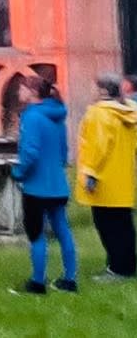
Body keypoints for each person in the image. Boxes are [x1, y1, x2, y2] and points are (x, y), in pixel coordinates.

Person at [11, 76, 77, 294]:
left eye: (22, 88)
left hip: (36, 188)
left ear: (32, 91)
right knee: (63, 231)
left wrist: (18, 172)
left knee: (36, 234)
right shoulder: (58, 116)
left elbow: (30, 151)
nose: (19, 92)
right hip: (58, 185)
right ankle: (69, 280)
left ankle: (37, 283)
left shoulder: (31, 116)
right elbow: (64, 153)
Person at [76, 73, 137, 280]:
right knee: (123, 225)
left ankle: (117, 269)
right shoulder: (129, 112)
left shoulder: (99, 113)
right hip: (123, 179)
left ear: (102, 90)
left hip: (103, 180)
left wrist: (90, 173)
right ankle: (126, 266)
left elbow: (97, 146)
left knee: (107, 226)